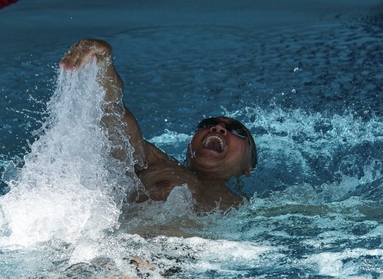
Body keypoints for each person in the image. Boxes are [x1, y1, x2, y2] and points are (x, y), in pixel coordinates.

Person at [59, 38, 258, 213]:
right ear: (189, 148)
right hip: (131, 251)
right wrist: (103, 61)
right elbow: (115, 117)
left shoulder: (248, 208)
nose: (218, 128)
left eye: (236, 131)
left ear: (248, 167)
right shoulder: (155, 163)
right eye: (208, 124)